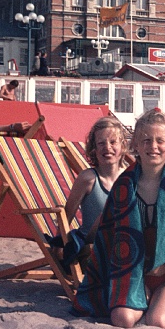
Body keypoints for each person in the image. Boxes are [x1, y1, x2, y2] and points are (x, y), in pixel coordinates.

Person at [74, 108, 165, 329]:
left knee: (158, 322)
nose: (153, 147)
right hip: (132, 272)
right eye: (146, 140)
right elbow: (107, 235)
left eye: (160, 141)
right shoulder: (124, 185)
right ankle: (149, 300)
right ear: (135, 145)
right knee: (122, 320)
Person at [49, 116, 130, 270]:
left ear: (123, 146)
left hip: (123, 242)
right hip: (92, 246)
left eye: (113, 142)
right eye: (101, 143)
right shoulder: (88, 178)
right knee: (112, 209)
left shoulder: (130, 177)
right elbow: (67, 215)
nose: (107, 147)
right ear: (94, 149)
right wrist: (59, 246)